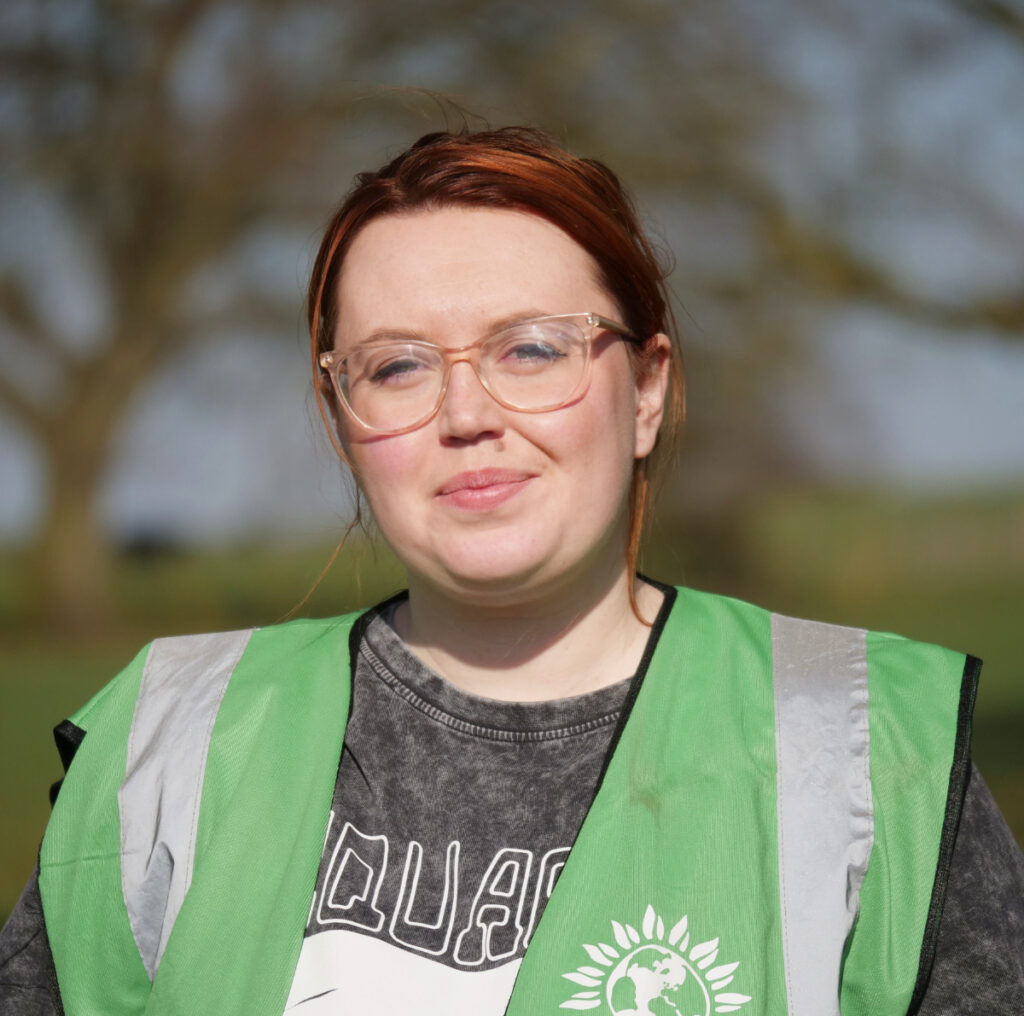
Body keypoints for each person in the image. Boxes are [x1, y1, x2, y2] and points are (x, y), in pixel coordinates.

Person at [1, 126, 1022, 1016]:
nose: (465, 414)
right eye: (397, 365)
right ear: (341, 417)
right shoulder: (162, 742)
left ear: (648, 389)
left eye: (531, 349)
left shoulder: (869, 747)